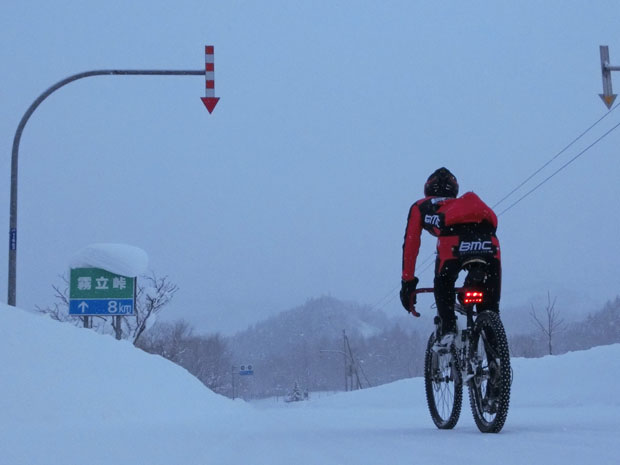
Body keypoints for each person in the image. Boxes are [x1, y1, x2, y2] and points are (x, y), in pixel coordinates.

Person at [399, 167, 501, 343]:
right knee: (490, 309)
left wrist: (408, 282)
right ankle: (495, 357)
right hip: (489, 241)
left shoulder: (421, 206)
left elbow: (411, 244)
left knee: (444, 283)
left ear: (428, 189)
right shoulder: (461, 204)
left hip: (452, 241)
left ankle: (448, 329)